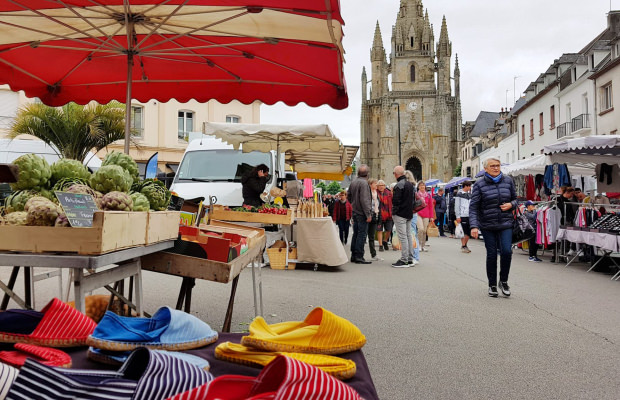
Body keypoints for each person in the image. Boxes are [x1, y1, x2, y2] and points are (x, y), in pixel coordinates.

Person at [469, 157, 518, 298]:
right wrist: (474, 226)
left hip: (506, 223)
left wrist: (511, 205)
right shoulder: (479, 184)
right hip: (488, 224)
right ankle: (492, 284)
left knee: (507, 251)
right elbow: (474, 207)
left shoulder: (508, 181)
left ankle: (503, 281)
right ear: (486, 168)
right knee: (491, 255)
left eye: (498, 165)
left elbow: (515, 199)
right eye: (492, 166)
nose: (496, 168)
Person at [347, 164, 372, 264]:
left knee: (356, 234)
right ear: (367, 174)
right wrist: (368, 214)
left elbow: (349, 196)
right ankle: (359, 256)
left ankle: (354, 255)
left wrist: (353, 204)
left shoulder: (353, 182)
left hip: (355, 212)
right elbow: (364, 200)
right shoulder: (364, 184)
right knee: (362, 234)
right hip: (362, 213)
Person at [391, 166, 415, 268]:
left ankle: (404, 259)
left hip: (400, 214)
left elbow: (395, 201)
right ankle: (410, 258)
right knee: (408, 235)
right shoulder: (410, 184)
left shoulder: (398, 185)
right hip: (409, 213)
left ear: (396, 174)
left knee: (403, 236)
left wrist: (394, 212)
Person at [405, 171, 420, 265]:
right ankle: (412, 256)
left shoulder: (410, 188)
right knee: (411, 234)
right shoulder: (413, 187)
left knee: (412, 235)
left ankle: (415, 257)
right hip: (413, 213)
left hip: (410, 213)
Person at [416, 181, 434, 252]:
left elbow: (430, 206)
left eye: (423, 185)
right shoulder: (416, 195)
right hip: (418, 214)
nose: (422, 187)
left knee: (425, 231)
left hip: (426, 214)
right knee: (421, 229)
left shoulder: (428, 195)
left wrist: (431, 216)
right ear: (418, 187)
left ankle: (423, 245)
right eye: (420, 185)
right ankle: (419, 245)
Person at [455, 181, 473, 253]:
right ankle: (463, 245)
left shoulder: (470, 195)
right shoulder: (459, 194)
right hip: (462, 215)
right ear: (466, 186)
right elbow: (457, 206)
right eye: (469, 186)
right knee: (463, 232)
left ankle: (465, 244)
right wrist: (458, 216)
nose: (470, 188)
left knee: (468, 232)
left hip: (470, 215)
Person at [376, 180, 393, 252]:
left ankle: (385, 241)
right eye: (379, 185)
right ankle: (380, 245)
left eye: (382, 185)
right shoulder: (375, 193)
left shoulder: (389, 193)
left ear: (385, 186)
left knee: (389, 230)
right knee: (379, 230)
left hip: (388, 214)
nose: (381, 187)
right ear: (377, 186)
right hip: (379, 214)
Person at [367, 179, 381, 261]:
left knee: (371, 236)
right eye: (375, 183)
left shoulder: (377, 194)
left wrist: (379, 216)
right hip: (368, 215)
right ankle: (358, 254)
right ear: (370, 184)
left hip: (375, 215)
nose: (377, 185)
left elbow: (379, 206)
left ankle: (373, 254)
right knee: (364, 235)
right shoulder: (367, 193)